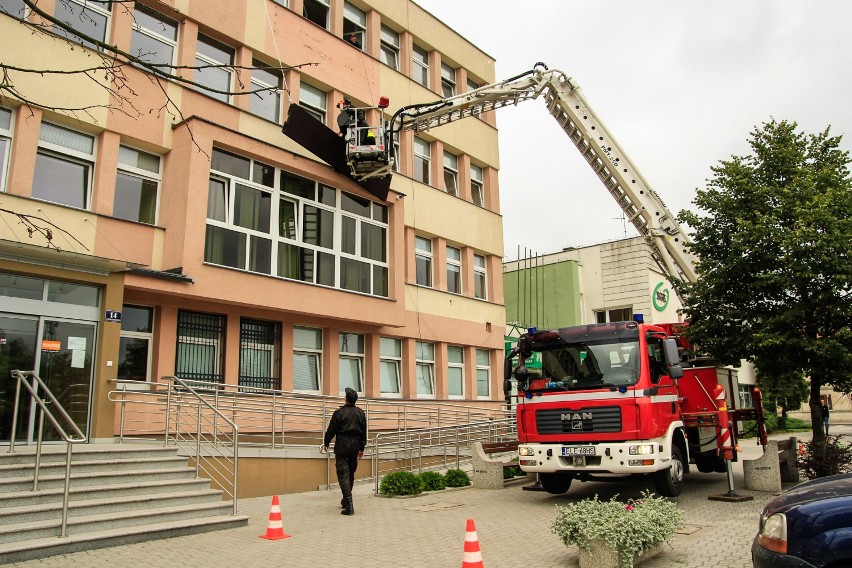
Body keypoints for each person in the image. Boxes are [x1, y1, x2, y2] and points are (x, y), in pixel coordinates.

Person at [322, 387, 367, 515]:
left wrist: (326, 442)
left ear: (346, 399)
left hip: (342, 446)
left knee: (343, 474)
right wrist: (362, 448)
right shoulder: (361, 413)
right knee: (350, 474)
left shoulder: (339, 413)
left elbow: (331, 430)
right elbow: (364, 432)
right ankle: (345, 500)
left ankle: (349, 506)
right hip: (355, 446)